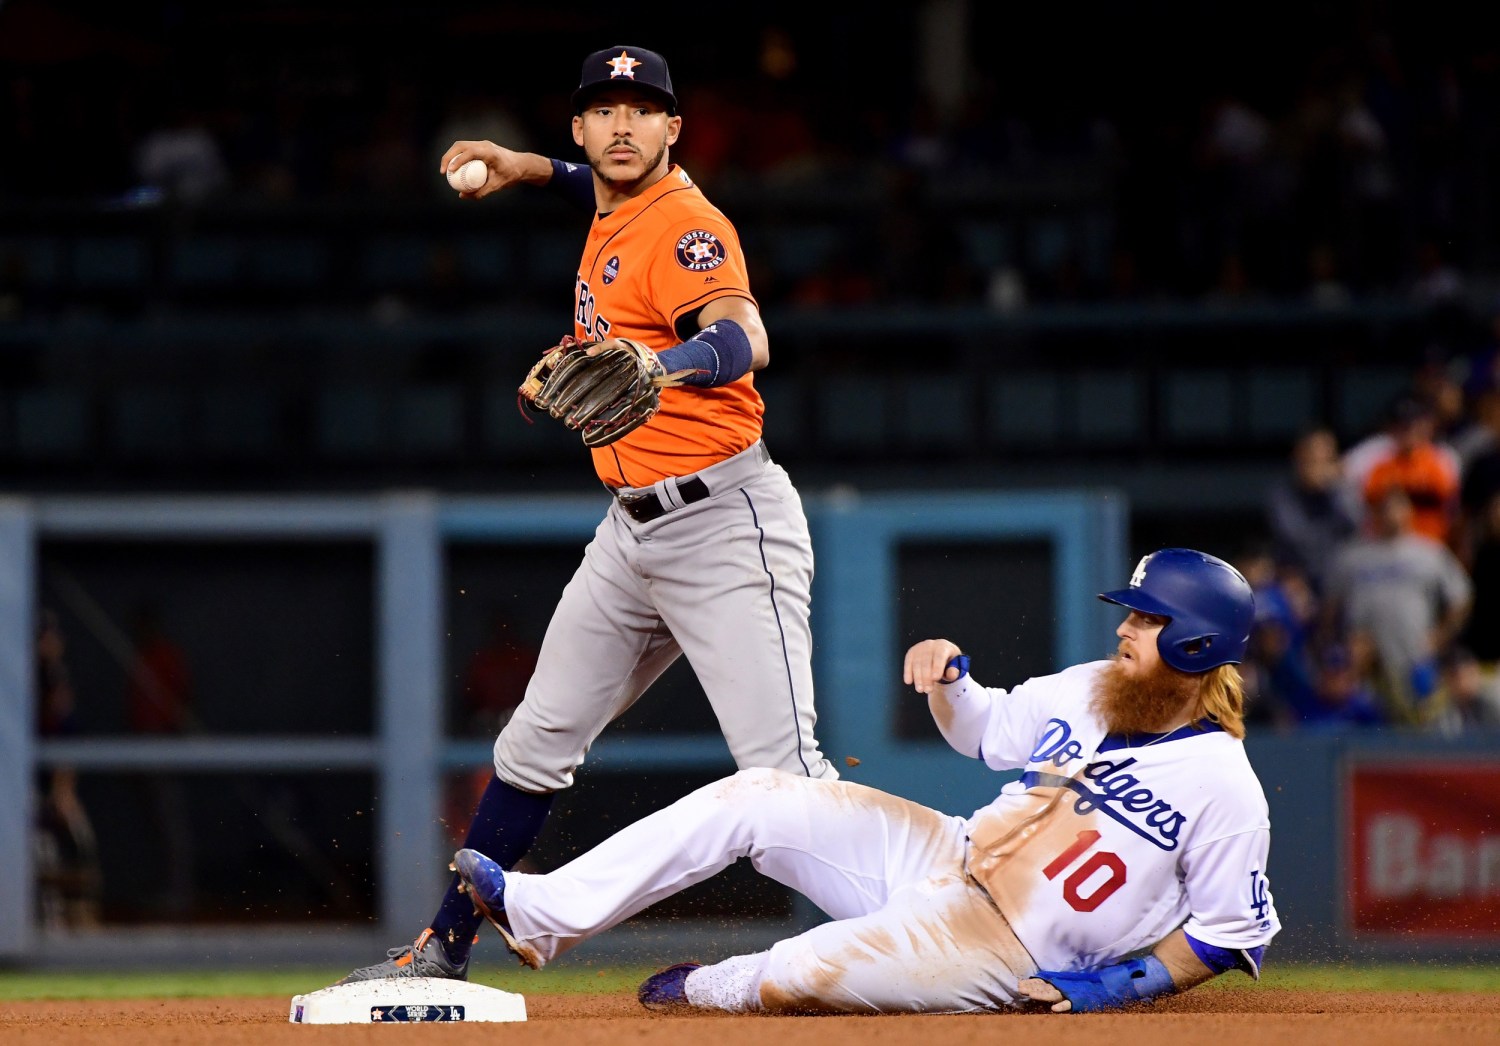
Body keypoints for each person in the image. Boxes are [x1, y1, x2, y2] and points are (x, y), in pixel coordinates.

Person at [337, 45, 837, 983]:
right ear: (578, 126)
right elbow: (589, 191)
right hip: (630, 532)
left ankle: (929, 931)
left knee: (786, 781)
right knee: (532, 742)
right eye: (603, 109)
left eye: (642, 110)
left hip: (729, 524)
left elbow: (745, 336)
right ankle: (443, 948)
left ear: (673, 130)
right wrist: (527, 168)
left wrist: (663, 364)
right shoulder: (613, 207)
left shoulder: (689, 224)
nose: (621, 125)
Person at [448, 548, 1280, 1015]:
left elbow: (1228, 933)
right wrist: (953, 686)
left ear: (1198, 644)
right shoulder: (1092, 685)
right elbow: (985, 733)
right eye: (1131, 613)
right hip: (944, 856)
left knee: (794, 974)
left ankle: (714, 988)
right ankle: (538, 912)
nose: (1127, 626)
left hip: (1004, 948)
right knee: (756, 795)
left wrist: (1105, 987)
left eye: (1147, 618)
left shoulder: (1224, 785)